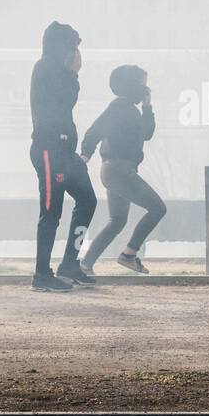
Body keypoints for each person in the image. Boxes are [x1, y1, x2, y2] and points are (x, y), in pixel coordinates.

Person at [79, 65, 166, 274]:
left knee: (117, 221)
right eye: (144, 86)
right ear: (132, 86)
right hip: (119, 170)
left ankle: (85, 265)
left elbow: (146, 133)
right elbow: (95, 130)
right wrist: (85, 154)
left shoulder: (129, 109)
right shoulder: (120, 107)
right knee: (158, 209)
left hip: (114, 171)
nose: (147, 91)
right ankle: (129, 254)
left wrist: (147, 108)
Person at [29, 21, 97, 291]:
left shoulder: (57, 68)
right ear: (63, 48)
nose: (76, 53)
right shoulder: (46, 67)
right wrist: (73, 73)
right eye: (73, 47)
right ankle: (41, 275)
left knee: (87, 200)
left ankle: (70, 263)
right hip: (49, 150)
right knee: (51, 212)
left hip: (65, 151)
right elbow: (64, 100)